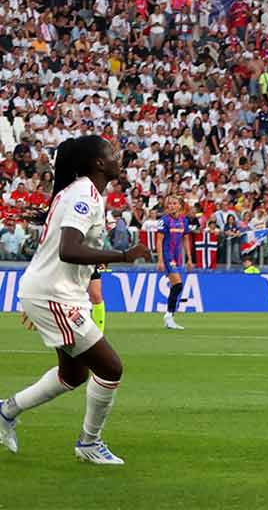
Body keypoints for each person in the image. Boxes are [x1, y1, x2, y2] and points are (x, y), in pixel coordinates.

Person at [0, 135, 151, 463]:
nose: (117, 157)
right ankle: (89, 443)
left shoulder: (83, 192)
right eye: (111, 153)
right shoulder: (84, 193)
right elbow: (69, 249)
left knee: (73, 375)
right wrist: (124, 255)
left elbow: (59, 249)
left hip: (53, 293)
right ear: (98, 163)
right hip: (55, 295)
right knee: (110, 368)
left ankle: (6, 412)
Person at [157, 197, 193, 330]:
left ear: (180, 206)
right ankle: (168, 315)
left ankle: (169, 316)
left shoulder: (184, 220)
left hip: (177, 257)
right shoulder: (164, 221)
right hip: (167, 256)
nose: (171, 206)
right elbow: (159, 241)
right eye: (169, 204)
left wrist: (189, 259)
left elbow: (186, 240)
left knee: (176, 286)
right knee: (178, 285)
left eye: (174, 203)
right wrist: (160, 260)